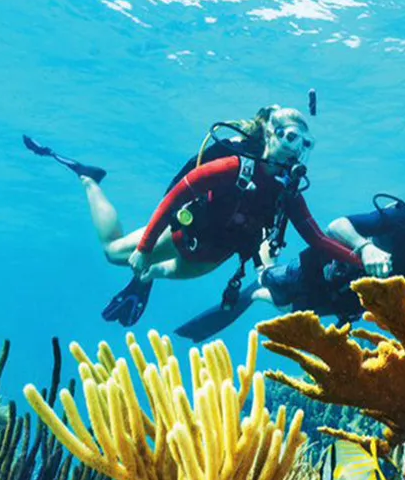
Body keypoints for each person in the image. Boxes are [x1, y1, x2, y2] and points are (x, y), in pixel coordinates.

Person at [27, 104, 362, 326]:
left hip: (212, 257)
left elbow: (316, 239)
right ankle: (89, 180)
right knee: (113, 252)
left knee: (156, 273)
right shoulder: (233, 166)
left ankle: (145, 277)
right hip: (182, 235)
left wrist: (364, 260)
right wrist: (144, 248)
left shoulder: (286, 192)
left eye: (305, 143)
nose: (296, 149)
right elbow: (175, 197)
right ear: (271, 134)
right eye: (290, 137)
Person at [175, 184, 405, 342]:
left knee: (288, 309)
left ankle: (264, 276)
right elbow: (335, 226)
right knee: (273, 288)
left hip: (349, 302)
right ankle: (264, 259)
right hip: (319, 272)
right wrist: (365, 248)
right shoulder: (399, 218)